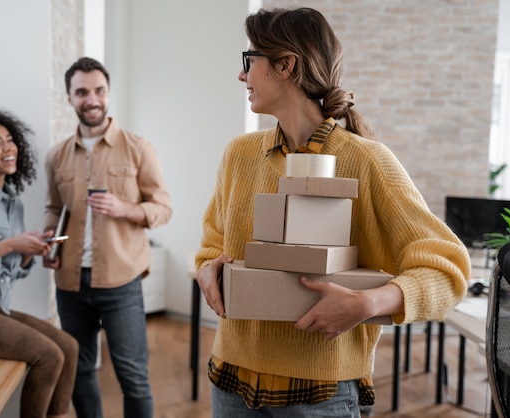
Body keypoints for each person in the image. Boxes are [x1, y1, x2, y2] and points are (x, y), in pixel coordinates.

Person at [196, 7, 471, 418]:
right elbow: (213, 243)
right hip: (232, 381)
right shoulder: (239, 155)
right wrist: (206, 268)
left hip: (320, 393)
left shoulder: (367, 162)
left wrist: (370, 303)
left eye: (249, 61)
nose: (242, 76)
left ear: (286, 64)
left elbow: (448, 269)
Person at [43, 57, 172, 418]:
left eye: (99, 90)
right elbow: (54, 209)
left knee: (132, 376)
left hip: (121, 281)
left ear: (108, 94)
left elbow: (162, 208)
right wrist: (51, 242)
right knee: (81, 371)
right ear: (69, 98)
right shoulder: (56, 157)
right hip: (69, 283)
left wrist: (124, 208)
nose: (92, 99)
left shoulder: (138, 148)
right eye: (81, 92)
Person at [0, 108, 79, 418]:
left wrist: (26, 254)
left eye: (10, 140)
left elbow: (6, 270)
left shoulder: (11, 200)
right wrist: (11, 244)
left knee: (68, 346)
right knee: (49, 355)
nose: (8, 148)